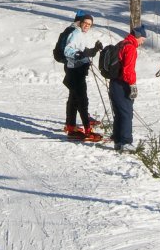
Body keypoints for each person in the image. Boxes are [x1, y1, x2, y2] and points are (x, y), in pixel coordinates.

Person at [62, 12, 104, 143]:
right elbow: (68, 50)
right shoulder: (76, 33)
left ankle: (71, 128)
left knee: (74, 100)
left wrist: (94, 50)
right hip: (75, 72)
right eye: (85, 23)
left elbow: (83, 52)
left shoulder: (80, 34)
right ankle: (87, 130)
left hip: (76, 71)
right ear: (80, 22)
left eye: (89, 25)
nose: (87, 26)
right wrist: (79, 55)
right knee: (82, 101)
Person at [109, 24, 144, 151]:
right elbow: (128, 70)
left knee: (119, 112)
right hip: (122, 84)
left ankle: (118, 141)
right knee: (126, 113)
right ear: (138, 36)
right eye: (142, 40)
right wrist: (132, 85)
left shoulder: (122, 43)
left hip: (113, 82)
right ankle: (126, 142)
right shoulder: (130, 48)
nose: (142, 43)